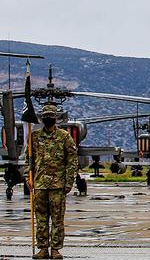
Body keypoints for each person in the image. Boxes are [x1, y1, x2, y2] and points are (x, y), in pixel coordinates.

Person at [28, 103, 78, 260]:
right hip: (40, 184)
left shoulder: (64, 137)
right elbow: (28, 160)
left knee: (57, 219)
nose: (48, 118)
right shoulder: (34, 137)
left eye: (51, 116)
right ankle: (43, 248)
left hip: (58, 185)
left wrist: (69, 182)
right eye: (46, 116)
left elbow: (72, 161)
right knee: (41, 219)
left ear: (56, 118)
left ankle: (56, 249)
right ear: (42, 119)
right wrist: (27, 177)